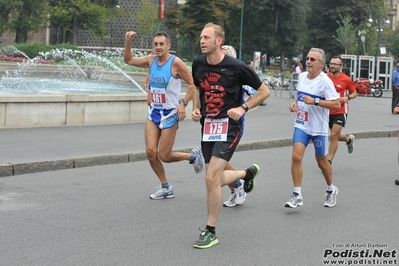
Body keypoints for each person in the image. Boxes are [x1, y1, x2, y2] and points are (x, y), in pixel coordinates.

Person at [191, 22, 270, 248]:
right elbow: (197, 87)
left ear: (218, 41)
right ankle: (246, 174)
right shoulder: (198, 63)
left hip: (230, 126)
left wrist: (244, 108)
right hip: (208, 126)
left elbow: (265, 91)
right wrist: (196, 109)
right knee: (212, 180)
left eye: (206, 37)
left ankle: (210, 230)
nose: (202, 41)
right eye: (201, 37)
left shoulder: (236, 67)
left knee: (210, 179)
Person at [124, 31, 204, 200]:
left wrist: (183, 104)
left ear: (168, 45)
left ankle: (192, 156)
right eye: (156, 44)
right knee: (150, 152)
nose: (158, 47)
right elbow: (128, 60)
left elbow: (193, 84)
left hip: (170, 114)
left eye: (162, 44)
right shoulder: (151, 60)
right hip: (154, 112)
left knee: (165, 156)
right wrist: (128, 42)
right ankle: (166, 186)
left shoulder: (176, 63)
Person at [286, 48, 340, 209]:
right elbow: (301, 95)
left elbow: (336, 103)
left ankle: (331, 189)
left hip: (319, 129)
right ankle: (297, 195)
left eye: (312, 59)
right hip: (302, 125)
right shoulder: (302, 77)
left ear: (321, 64)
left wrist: (316, 101)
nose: (308, 61)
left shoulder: (325, 81)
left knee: (322, 162)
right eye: (307, 58)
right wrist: (295, 103)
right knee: (296, 157)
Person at [327, 56, 357, 165]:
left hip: (341, 110)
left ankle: (329, 160)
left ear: (341, 66)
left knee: (334, 135)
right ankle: (349, 140)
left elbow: (354, 93)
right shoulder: (325, 77)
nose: (332, 66)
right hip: (327, 110)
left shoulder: (346, 79)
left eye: (335, 64)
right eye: (331, 63)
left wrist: (347, 98)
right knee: (337, 135)